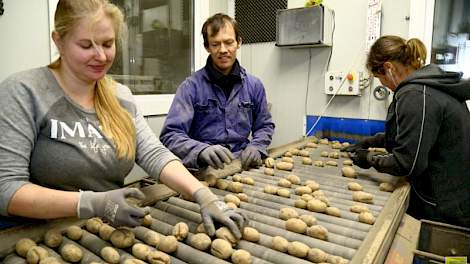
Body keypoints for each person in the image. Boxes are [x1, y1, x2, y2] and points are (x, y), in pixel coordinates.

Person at [0, 0, 246, 238]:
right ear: (59, 41)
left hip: (105, 229)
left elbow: (154, 154)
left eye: (108, 44)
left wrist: (202, 194)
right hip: (31, 234)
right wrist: (91, 203)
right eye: (86, 45)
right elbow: (6, 189)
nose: (101, 56)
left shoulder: (120, 96)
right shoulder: (25, 91)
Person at [343, 35, 470, 227]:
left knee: (448, 257)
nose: (383, 85)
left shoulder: (416, 95)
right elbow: (419, 136)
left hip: (444, 207)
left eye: (380, 79)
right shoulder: (431, 84)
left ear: (389, 68)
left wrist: (368, 159)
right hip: (456, 195)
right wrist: (373, 141)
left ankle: (454, 260)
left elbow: (407, 164)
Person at [159, 13, 275, 171]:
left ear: (239, 42)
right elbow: (170, 135)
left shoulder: (254, 85)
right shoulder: (190, 87)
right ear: (207, 47)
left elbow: (264, 126)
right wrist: (200, 150)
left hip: (242, 166)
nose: (223, 50)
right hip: (203, 171)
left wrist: (257, 147)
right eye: (215, 44)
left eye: (229, 43)